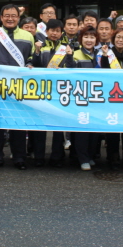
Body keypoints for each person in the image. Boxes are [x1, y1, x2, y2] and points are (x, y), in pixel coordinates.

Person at [0, 4, 35, 170]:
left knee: (18, 124)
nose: (10, 19)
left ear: (18, 17)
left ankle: (19, 158)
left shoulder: (27, 36)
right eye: (7, 16)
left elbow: (31, 57)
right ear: (1, 18)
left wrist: (30, 63)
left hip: (19, 86)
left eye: (13, 16)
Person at [30, 18, 73, 167]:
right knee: (40, 125)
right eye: (52, 30)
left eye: (57, 31)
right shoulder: (40, 46)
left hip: (59, 90)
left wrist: (69, 55)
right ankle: (39, 156)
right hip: (42, 90)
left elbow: (71, 67)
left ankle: (57, 156)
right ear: (46, 31)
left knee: (58, 125)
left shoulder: (66, 47)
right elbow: (33, 64)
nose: (54, 33)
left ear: (61, 33)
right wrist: (36, 52)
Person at [98, 28, 123, 170]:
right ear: (113, 39)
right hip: (112, 96)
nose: (120, 40)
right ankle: (113, 155)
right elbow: (103, 72)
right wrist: (104, 56)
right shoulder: (107, 52)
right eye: (118, 37)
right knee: (113, 126)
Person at [67, 26, 99, 170]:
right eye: (86, 37)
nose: (89, 40)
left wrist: (105, 57)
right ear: (81, 39)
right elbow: (70, 71)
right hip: (80, 98)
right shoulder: (75, 54)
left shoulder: (100, 54)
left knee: (94, 129)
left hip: (97, 98)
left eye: (92, 37)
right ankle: (83, 158)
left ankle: (90, 156)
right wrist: (69, 56)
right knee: (82, 130)